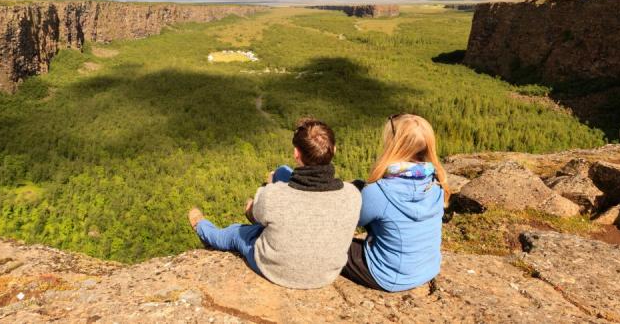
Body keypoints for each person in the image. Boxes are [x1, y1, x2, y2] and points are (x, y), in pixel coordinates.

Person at [188, 118, 361, 289]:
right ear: (334, 150)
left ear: (296, 154)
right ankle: (273, 182)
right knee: (282, 172)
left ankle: (203, 228)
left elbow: (254, 213)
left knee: (236, 233)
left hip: (277, 270)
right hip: (326, 275)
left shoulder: (274, 195)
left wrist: (256, 202)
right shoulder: (352, 195)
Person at [342, 113, 450, 292]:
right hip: (427, 268)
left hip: (389, 275)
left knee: (331, 244)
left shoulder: (379, 191)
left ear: (394, 144)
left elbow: (355, 220)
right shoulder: (437, 181)